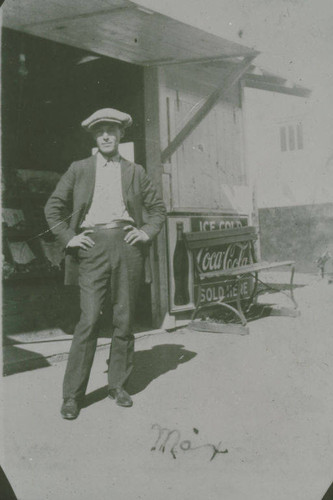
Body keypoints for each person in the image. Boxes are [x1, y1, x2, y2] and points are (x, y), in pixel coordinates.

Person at [45, 108, 166, 419]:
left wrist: (145, 231)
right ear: (94, 136)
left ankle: (118, 385)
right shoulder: (79, 169)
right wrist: (69, 238)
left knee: (124, 320)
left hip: (127, 247)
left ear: (121, 134)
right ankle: (72, 396)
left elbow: (157, 210)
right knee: (88, 321)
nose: (106, 135)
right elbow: (53, 208)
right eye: (100, 131)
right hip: (91, 248)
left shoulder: (135, 171)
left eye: (112, 129)